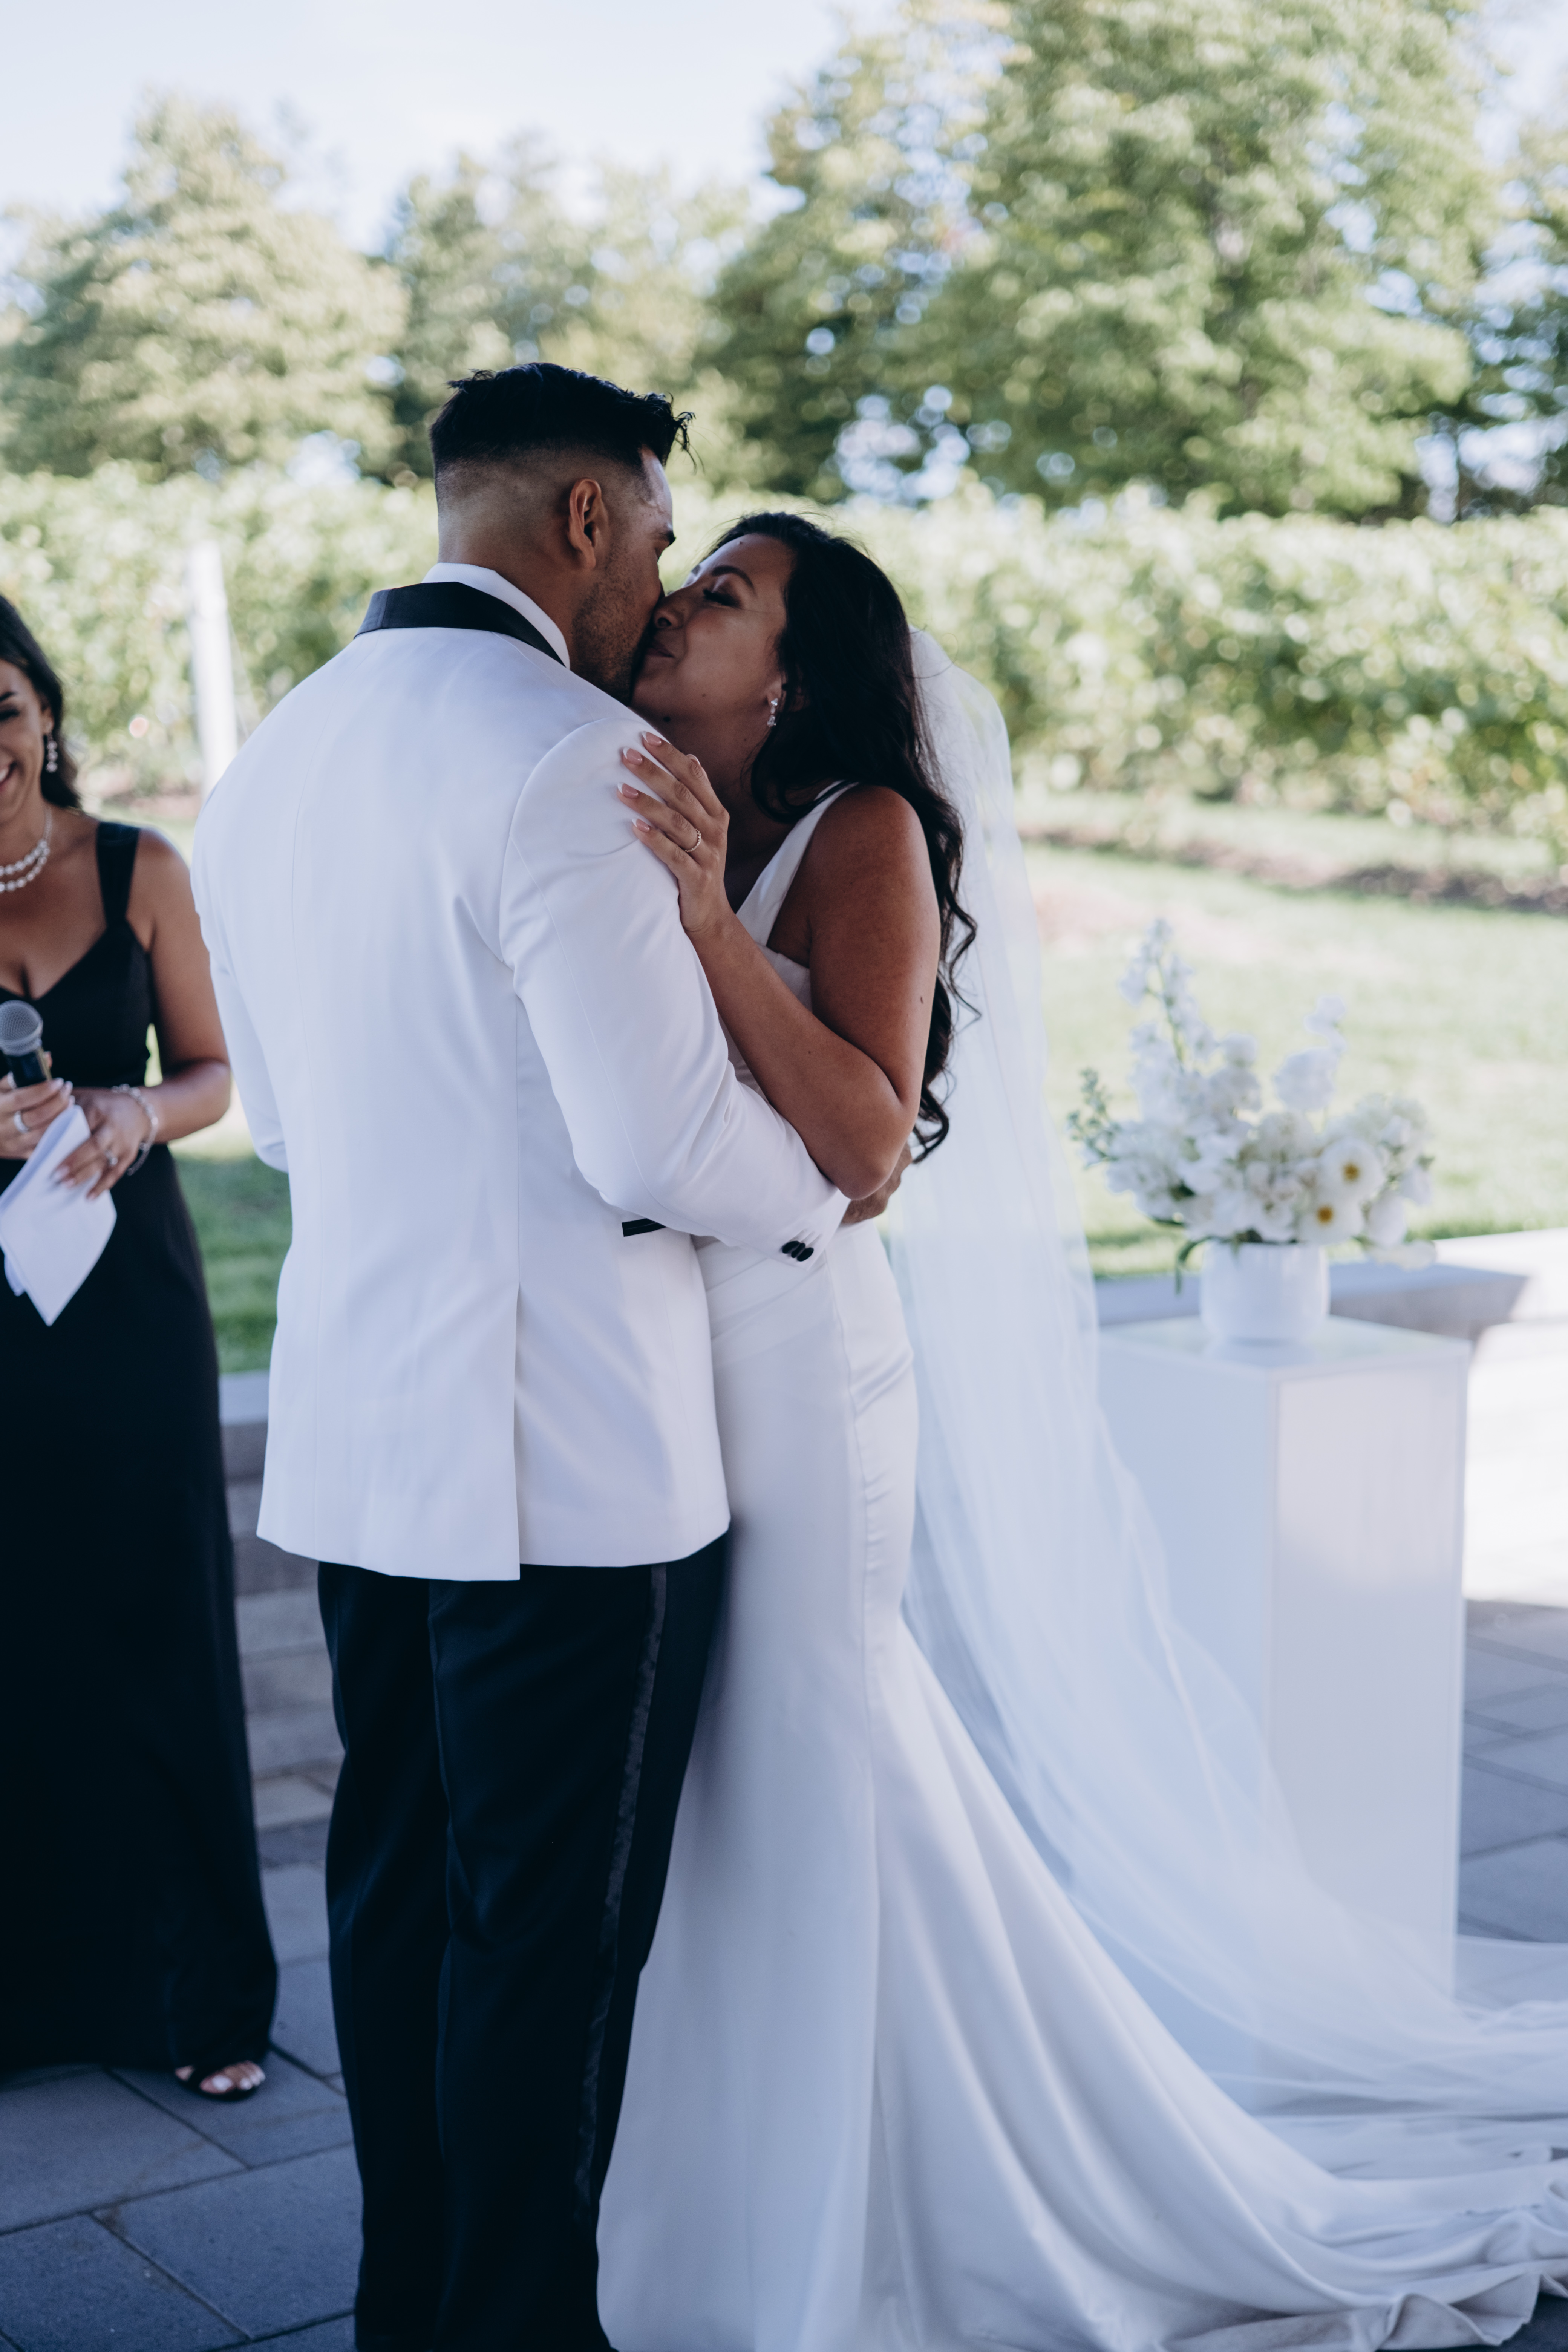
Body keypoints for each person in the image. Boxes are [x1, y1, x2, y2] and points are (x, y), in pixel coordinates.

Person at [594, 514, 1568, 2350]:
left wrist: (709, 926)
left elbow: (865, 1149)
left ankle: (868, 2205)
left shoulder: (858, 833)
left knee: (807, 1742)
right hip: (678, 1358)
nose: (674, 605)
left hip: (805, 1363)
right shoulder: (656, 801)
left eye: (724, 595)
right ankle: (753, 2173)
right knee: (736, 1774)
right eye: (688, 575)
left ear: (792, 674)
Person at [191, 368, 847, 2352]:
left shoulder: (271, 760)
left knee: (396, 1907)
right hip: (575, 1456)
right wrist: (830, 1185)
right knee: (548, 1955)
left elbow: (280, 1121)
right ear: (581, 518)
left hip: (365, 1441)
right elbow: (656, 1147)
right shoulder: (572, 759)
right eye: (654, 534)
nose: (654, 576)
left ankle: (412, 2310)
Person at [0, 597, 275, 2103]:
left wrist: (131, 1111)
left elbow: (217, 1073)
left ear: (44, 710)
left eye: (0, 708)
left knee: (158, 1610)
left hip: (130, 1295)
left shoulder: (138, 867)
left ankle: (203, 1994)